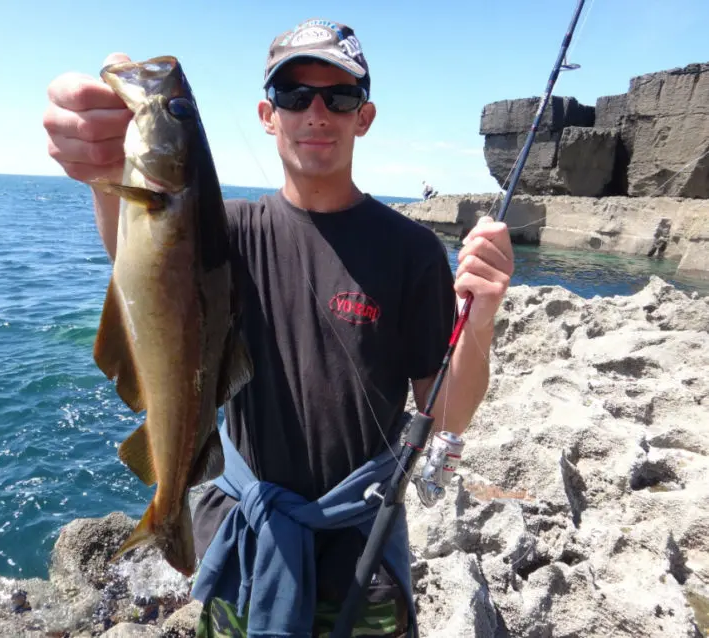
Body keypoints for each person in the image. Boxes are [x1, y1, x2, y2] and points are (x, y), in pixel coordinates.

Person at [43, 18, 514, 638]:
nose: (316, 112)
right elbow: (146, 274)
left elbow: (444, 416)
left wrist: (479, 323)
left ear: (362, 117)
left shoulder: (414, 251)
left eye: (338, 97)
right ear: (269, 115)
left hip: (360, 551)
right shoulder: (226, 228)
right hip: (244, 539)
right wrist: (105, 177)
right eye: (295, 95)